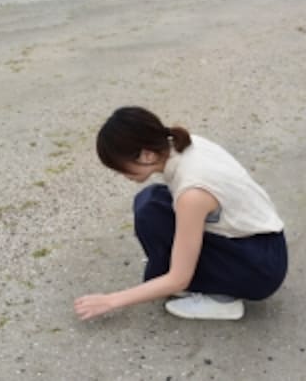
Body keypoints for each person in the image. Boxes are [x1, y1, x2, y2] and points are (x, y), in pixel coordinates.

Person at [74, 107, 287, 321]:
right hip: (265, 245)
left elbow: (179, 279)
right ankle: (193, 279)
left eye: (121, 167)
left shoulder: (192, 192)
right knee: (150, 205)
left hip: (258, 269)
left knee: (153, 215)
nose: (122, 175)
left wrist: (110, 301)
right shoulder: (186, 144)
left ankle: (223, 299)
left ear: (147, 154)